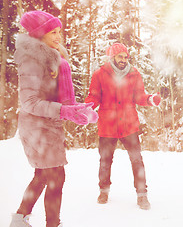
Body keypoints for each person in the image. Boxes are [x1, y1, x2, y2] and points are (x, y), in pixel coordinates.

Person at [10, 11, 97, 227]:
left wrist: (77, 110)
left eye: (59, 31)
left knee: (43, 175)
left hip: (47, 125)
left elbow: (55, 96)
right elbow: (29, 102)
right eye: (52, 32)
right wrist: (64, 111)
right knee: (56, 177)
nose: (58, 36)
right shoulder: (31, 59)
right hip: (37, 128)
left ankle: (20, 219)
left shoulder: (51, 56)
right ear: (40, 35)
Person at [85, 42, 161, 210]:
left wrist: (150, 99)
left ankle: (142, 195)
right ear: (112, 57)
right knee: (105, 160)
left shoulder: (134, 74)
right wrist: (85, 109)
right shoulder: (99, 74)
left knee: (137, 160)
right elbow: (93, 97)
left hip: (129, 125)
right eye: (120, 56)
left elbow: (139, 96)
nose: (124, 60)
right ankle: (103, 190)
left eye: (126, 56)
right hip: (108, 125)